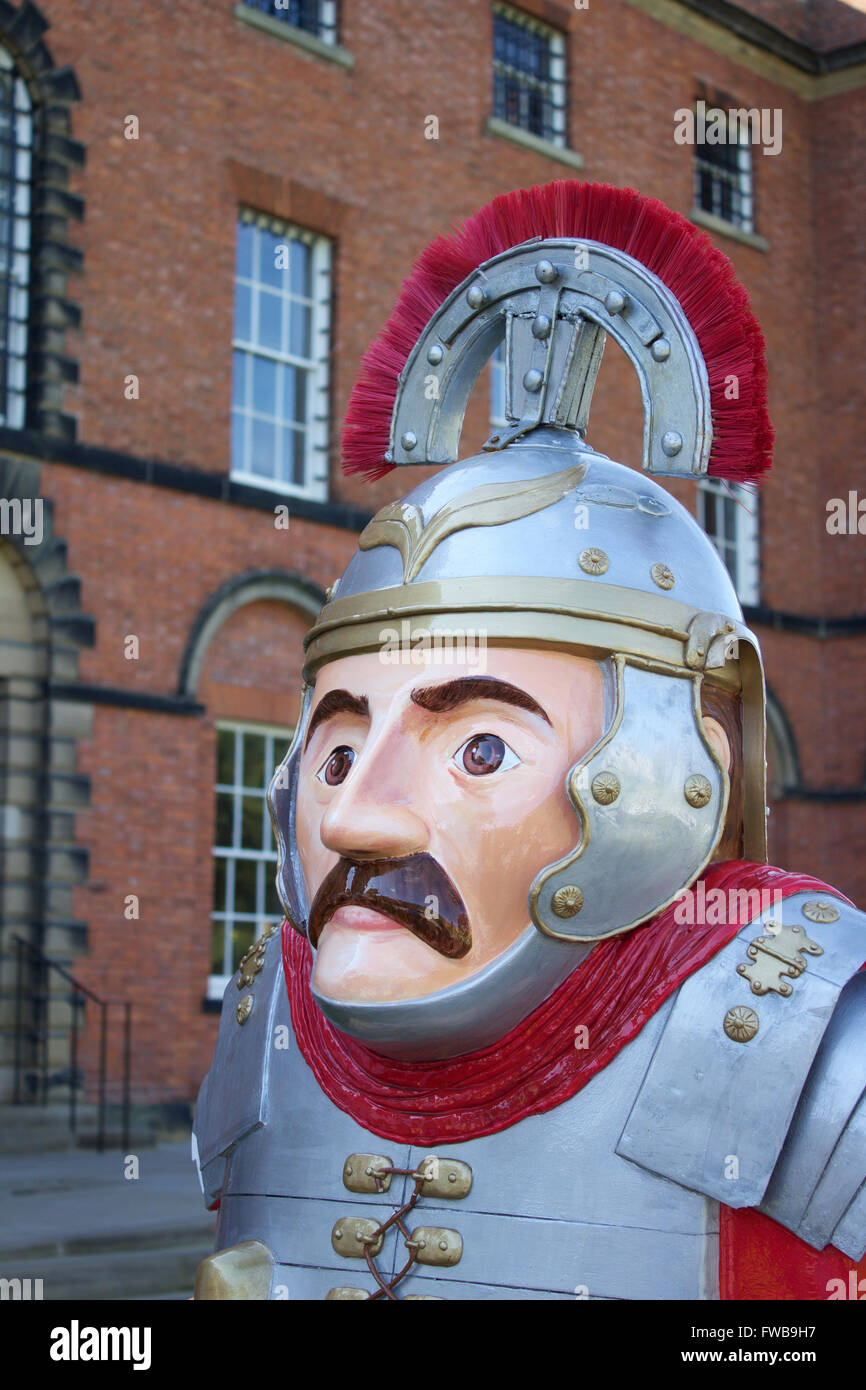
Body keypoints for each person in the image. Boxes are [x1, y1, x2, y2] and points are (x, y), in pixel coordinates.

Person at [192, 180, 865, 1301]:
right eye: (340, 752)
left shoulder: (816, 1056)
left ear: (676, 766)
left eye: (479, 749)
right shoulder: (269, 1020)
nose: (356, 814)